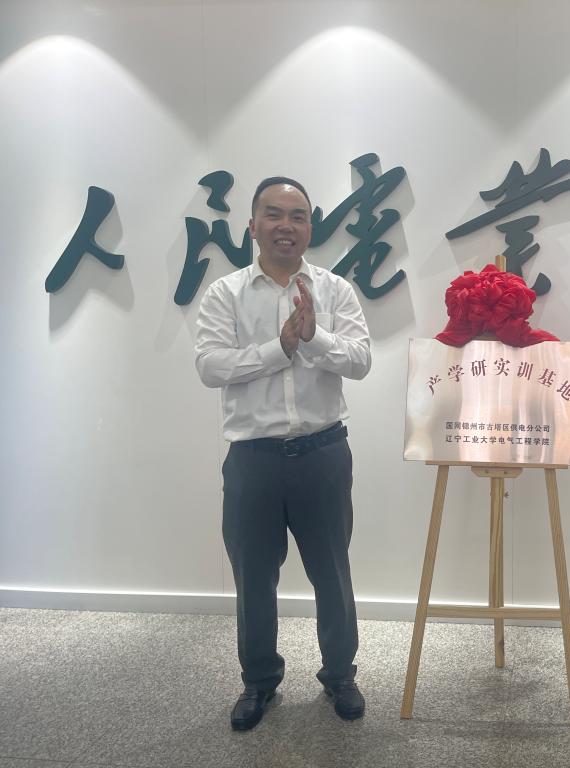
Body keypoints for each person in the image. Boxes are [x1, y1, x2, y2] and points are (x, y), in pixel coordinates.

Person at [195, 177, 371, 731]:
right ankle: (259, 681)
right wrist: (280, 348)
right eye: (273, 214)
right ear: (252, 226)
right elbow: (210, 366)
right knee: (253, 576)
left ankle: (340, 674)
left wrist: (314, 337)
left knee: (332, 571)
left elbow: (361, 360)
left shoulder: (335, 290)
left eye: (297, 216)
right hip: (253, 458)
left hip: (323, 453)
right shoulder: (225, 294)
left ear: (310, 228)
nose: (285, 226)